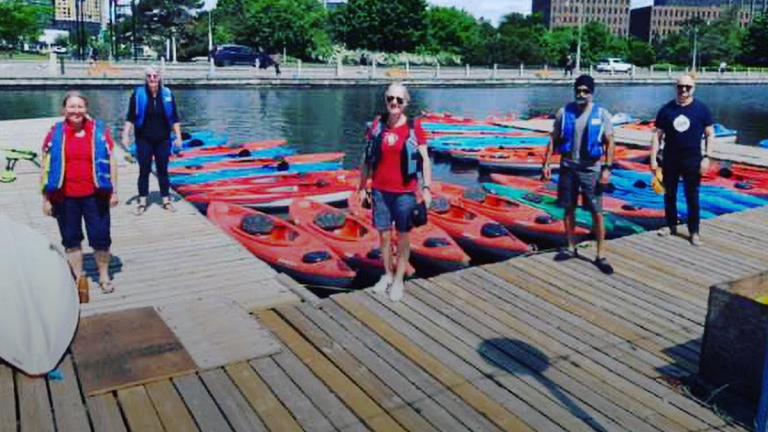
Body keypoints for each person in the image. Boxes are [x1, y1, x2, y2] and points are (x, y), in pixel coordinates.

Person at [40, 91, 119, 297]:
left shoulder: (99, 131)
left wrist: (114, 191)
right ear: (64, 110)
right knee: (71, 239)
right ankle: (79, 276)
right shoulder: (54, 132)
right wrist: (46, 199)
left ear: (86, 108)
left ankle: (103, 276)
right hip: (64, 197)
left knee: (101, 238)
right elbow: (46, 167)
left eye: (80, 106)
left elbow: (111, 162)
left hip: (96, 195)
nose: (76, 111)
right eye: (71, 107)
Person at [359, 83, 432, 301]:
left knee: (402, 236)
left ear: (406, 103)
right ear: (385, 100)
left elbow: (425, 160)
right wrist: (362, 187)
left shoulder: (413, 127)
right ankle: (387, 275)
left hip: (404, 193)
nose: (394, 103)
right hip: (380, 191)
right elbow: (366, 159)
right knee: (383, 236)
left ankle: (399, 281)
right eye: (391, 98)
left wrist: (427, 188)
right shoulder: (377, 125)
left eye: (399, 100)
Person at [542, 74, 615, 274]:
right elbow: (553, 139)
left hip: (591, 170)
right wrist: (546, 163)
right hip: (568, 167)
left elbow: (610, 144)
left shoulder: (602, 115)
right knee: (568, 208)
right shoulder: (563, 112)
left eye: (586, 91)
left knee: (596, 212)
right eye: (578, 90)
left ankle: (601, 254)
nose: (581, 94)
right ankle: (571, 247)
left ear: (592, 93)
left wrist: (607, 170)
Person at [651, 74, 714, 246]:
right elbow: (657, 136)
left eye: (687, 87)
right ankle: (671, 225)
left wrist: (707, 157)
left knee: (692, 196)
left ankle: (694, 231)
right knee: (669, 194)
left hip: (693, 160)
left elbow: (710, 134)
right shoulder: (666, 110)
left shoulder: (701, 109)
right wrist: (653, 159)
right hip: (671, 159)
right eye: (680, 86)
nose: (684, 90)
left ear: (693, 88)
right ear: (676, 87)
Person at [122, 66, 182, 215]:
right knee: (144, 170)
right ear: (145, 78)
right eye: (149, 76)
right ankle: (142, 202)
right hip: (144, 139)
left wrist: (178, 137)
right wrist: (125, 134)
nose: (152, 79)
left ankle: (166, 200)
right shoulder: (138, 94)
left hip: (163, 139)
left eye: (155, 76)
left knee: (163, 170)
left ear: (160, 77)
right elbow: (130, 116)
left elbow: (174, 117)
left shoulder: (167, 94)